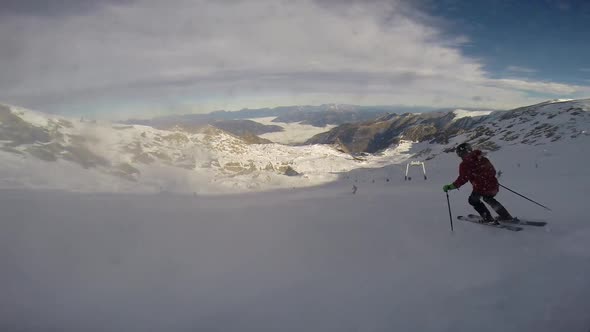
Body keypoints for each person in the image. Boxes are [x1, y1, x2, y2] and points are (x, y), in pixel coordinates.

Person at [443, 142, 513, 225]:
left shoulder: (465, 164)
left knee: (473, 201)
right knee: (488, 198)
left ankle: (488, 218)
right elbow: (492, 171)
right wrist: (486, 178)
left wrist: (451, 186)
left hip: (480, 188)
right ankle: (506, 216)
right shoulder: (483, 158)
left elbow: (462, 179)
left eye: (460, 154)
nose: (461, 156)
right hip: (493, 185)